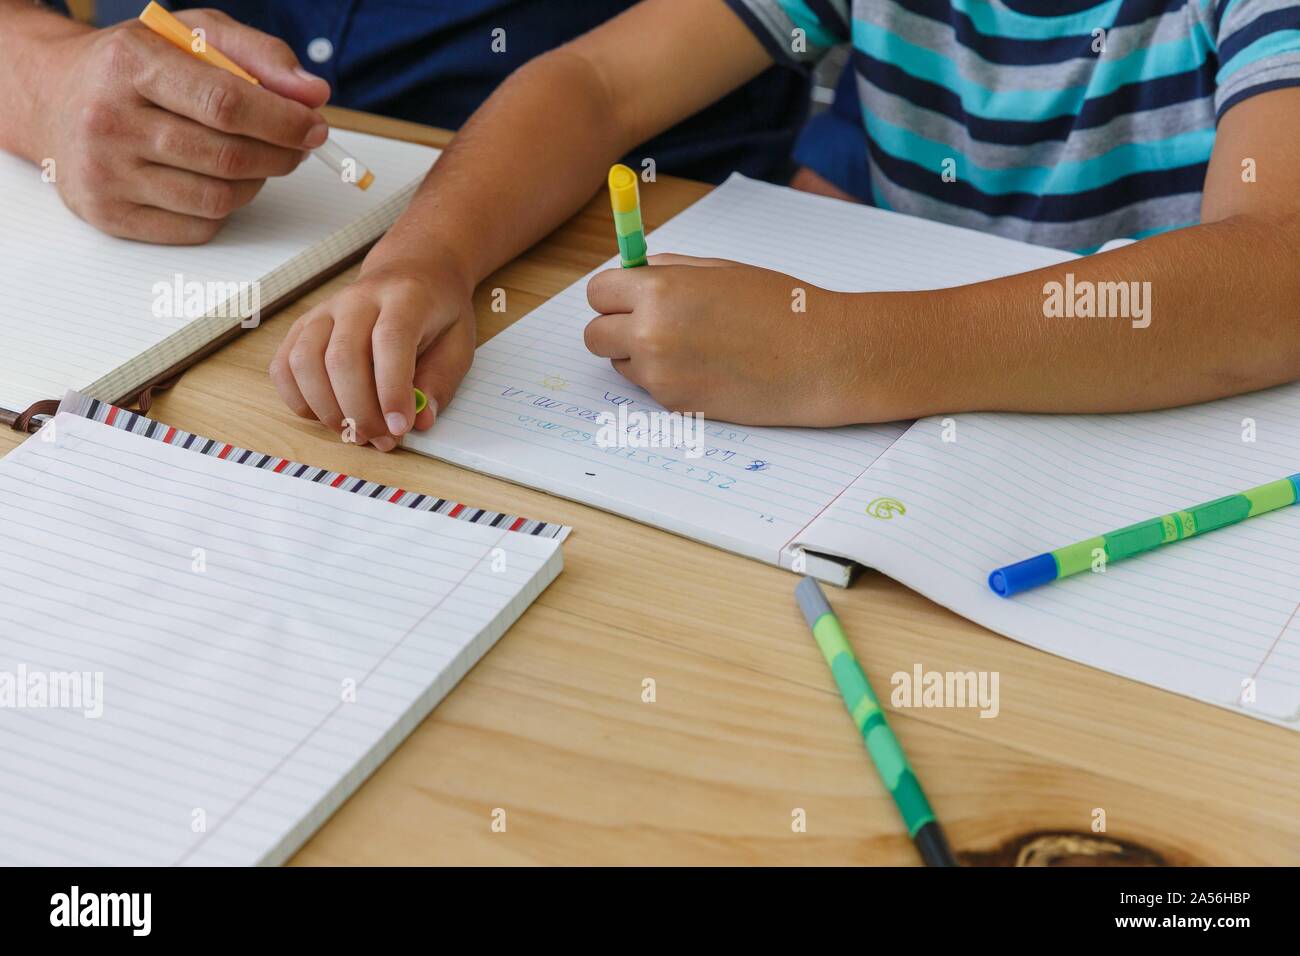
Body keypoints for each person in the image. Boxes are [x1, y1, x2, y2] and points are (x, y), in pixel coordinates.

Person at [269, 0, 1300, 451]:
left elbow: (1276, 264)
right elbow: (595, 87)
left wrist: (839, 351)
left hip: (1146, 445)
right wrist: (428, 257)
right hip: (886, 462)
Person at [0, 1, 809, 243]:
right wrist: (45, 79)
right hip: (101, 264)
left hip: (611, 245)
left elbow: (604, 88)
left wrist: (428, 259)